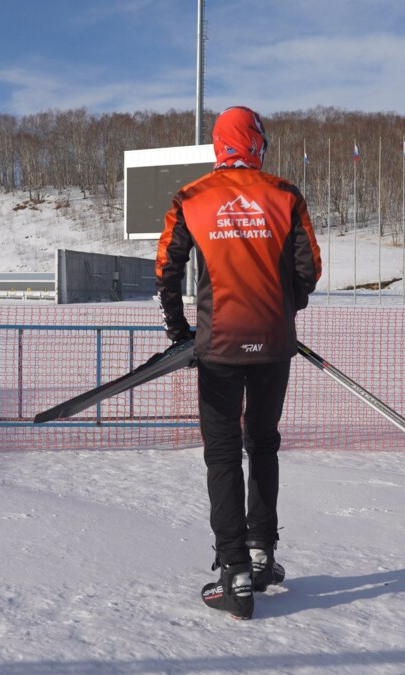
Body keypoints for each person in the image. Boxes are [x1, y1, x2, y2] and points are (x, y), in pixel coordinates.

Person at [155, 106, 322, 620]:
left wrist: (181, 331)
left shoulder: (192, 197)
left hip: (219, 347)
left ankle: (235, 574)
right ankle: (262, 554)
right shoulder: (284, 194)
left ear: (218, 145)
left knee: (223, 454)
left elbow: (166, 269)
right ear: (257, 143)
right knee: (264, 444)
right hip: (274, 346)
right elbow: (309, 268)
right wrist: (281, 310)